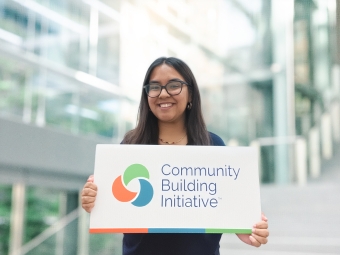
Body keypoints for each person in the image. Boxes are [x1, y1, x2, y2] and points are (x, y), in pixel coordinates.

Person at [81, 57, 269, 255]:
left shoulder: (213, 146)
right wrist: (94, 200)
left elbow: (226, 206)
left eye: (174, 85)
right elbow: (114, 207)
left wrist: (246, 228)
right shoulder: (131, 146)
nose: (163, 94)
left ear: (191, 95)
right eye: (154, 87)